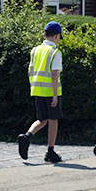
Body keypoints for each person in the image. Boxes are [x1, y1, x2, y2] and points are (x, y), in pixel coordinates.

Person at [18, 21, 65, 163]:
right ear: (57, 36)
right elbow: (55, 74)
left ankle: (27, 136)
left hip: (37, 89)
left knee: (41, 119)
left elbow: (29, 71)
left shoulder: (35, 50)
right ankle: (50, 151)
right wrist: (55, 95)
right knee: (53, 121)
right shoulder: (55, 52)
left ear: (44, 35)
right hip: (51, 91)